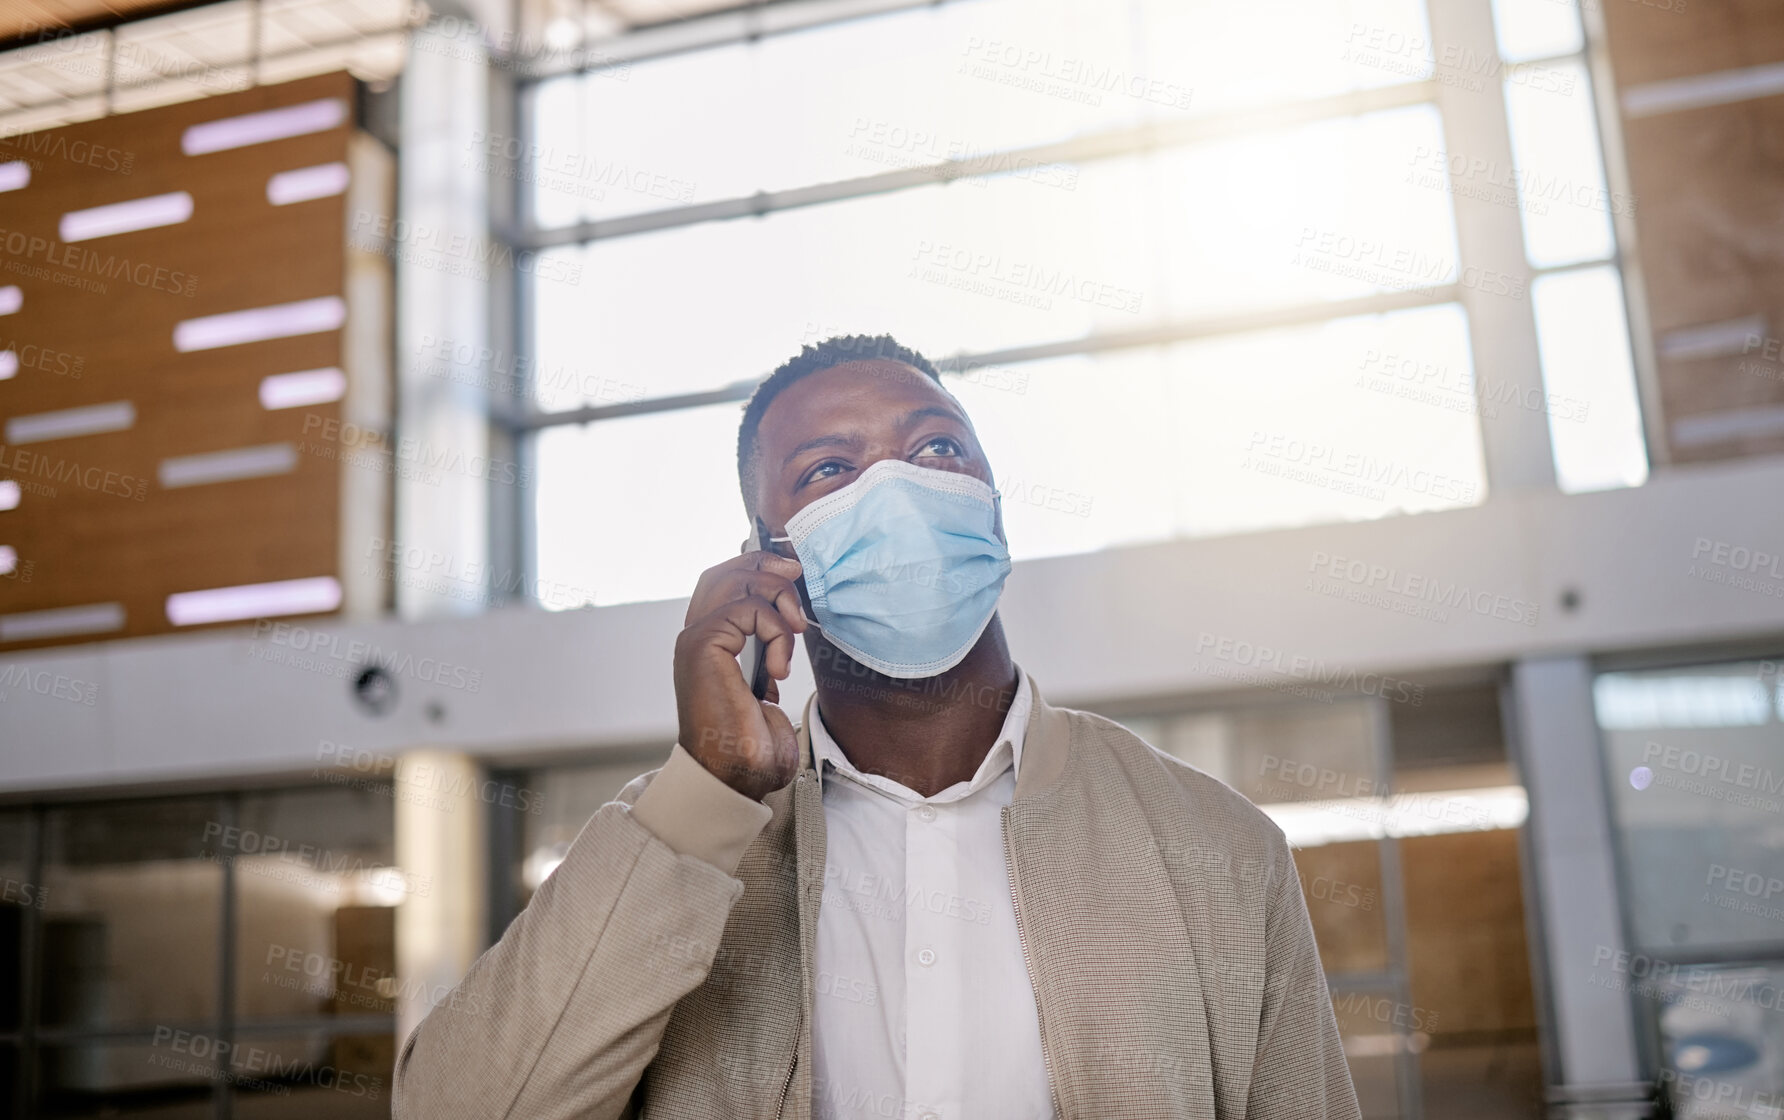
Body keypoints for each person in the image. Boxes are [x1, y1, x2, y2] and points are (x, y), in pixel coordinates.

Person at [392, 335, 1360, 1119]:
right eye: (827, 469)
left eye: (936, 449)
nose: (895, 489)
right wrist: (702, 796)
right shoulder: (682, 852)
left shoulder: (1216, 848)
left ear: (990, 510)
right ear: (766, 563)